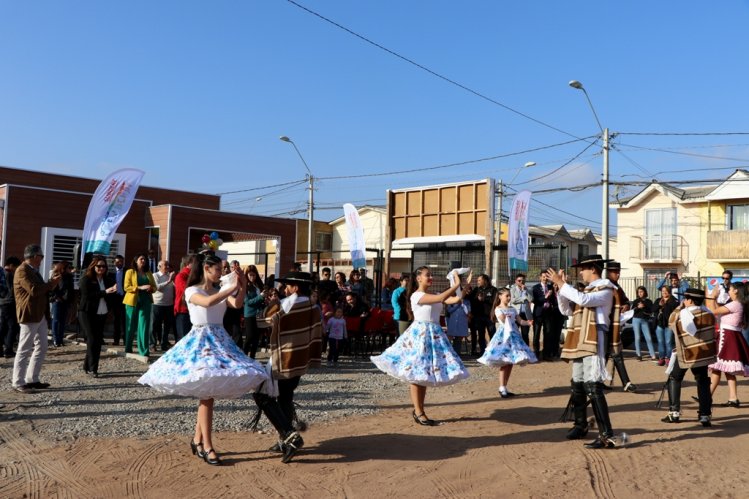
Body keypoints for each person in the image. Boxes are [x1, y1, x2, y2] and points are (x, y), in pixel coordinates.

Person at [139, 252, 267, 466]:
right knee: (207, 394)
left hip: (219, 341)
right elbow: (208, 302)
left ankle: (199, 441)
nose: (221, 273)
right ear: (207, 269)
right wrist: (229, 288)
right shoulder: (192, 290)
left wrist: (242, 285)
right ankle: (206, 446)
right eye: (218, 269)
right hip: (201, 343)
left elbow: (236, 304)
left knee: (208, 393)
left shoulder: (219, 290)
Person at [371, 267, 471, 426]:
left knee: (423, 374)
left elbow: (456, 300)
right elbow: (442, 297)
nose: (430, 277)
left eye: (431, 275)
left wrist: (462, 288)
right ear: (418, 278)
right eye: (427, 275)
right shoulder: (417, 295)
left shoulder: (432, 296)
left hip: (433, 333)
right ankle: (418, 412)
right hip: (421, 334)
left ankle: (420, 411)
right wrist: (456, 281)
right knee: (417, 373)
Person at [546, 254, 619, 449]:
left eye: (583, 268)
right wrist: (560, 290)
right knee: (577, 384)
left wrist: (562, 284)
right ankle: (580, 424)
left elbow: (583, 300)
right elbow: (567, 310)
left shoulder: (606, 289)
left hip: (594, 341)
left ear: (593, 269)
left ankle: (606, 434)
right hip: (580, 341)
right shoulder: (588, 290)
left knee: (593, 386)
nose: (581, 272)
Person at [251, 271, 322, 464]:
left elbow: (262, 321)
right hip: (300, 359)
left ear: (296, 288)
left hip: (283, 359)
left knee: (261, 394)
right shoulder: (313, 306)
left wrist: (269, 303)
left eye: (288, 285)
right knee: (285, 397)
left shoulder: (285, 304)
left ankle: (290, 436)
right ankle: (284, 439)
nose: (285, 288)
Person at [661, 288, 716, 426]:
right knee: (703, 381)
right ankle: (705, 415)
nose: (683, 300)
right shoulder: (709, 313)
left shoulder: (682, 314)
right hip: (703, 354)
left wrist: (679, 308)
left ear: (689, 300)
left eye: (685, 298)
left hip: (687, 354)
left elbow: (670, 322)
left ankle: (674, 412)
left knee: (675, 377)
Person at [11, 244, 61, 393]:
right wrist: (51, 283)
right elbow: (33, 290)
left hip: (39, 314)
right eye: (41, 256)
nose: (41, 259)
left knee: (42, 346)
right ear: (33, 256)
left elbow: (41, 289)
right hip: (29, 314)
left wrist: (51, 283)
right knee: (24, 348)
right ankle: (17, 381)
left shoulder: (33, 271)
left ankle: (32, 379)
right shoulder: (22, 271)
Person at [478, 288, 537, 397]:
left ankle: (504, 387)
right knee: (505, 363)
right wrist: (508, 317)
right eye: (507, 296)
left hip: (514, 335)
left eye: (509, 296)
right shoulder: (498, 309)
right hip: (504, 337)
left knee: (510, 364)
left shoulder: (513, 309)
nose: (509, 298)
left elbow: (520, 321)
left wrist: (528, 323)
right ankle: (501, 387)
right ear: (500, 296)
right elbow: (503, 320)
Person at [706, 281, 749, 407]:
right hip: (730, 335)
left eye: (730, 288)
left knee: (718, 366)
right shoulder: (737, 304)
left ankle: (706, 397)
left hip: (727, 336)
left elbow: (713, 311)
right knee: (725, 368)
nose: (729, 290)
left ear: (736, 290)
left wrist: (712, 296)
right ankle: (733, 398)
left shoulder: (735, 304)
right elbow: (717, 309)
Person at [79, 256, 118, 377]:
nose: (101, 268)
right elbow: (87, 296)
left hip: (102, 312)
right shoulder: (86, 279)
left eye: (104, 266)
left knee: (97, 341)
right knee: (92, 339)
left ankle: (87, 365)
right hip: (87, 313)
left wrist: (112, 292)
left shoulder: (108, 280)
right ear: (93, 266)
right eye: (99, 266)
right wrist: (105, 292)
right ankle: (93, 368)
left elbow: (111, 296)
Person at [604, 261, 636, 392]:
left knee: (614, 353)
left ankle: (626, 382)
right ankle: (625, 382)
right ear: (609, 273)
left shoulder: (617, 287)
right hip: (606, 325)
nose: (618, 274)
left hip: (615, 325)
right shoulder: (605, 286)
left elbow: (626, 300)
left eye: (619, 272)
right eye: (615, 272)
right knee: (609, 354)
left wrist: (626, 306)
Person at [123, 253, 157, 357]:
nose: (143, 261)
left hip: (146, 300)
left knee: (144, 326)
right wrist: (139, 287)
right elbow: (126, 287)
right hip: (132, 301)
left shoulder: (149, 273)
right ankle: (128, 348)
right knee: (131, 325)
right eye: (141, 259)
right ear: (136, 260)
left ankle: (143, 351)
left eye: (145, 259)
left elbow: (155, 287)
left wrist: (151, 288)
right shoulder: (130, 272)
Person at [468, 274, 497, 356]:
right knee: (481, 335)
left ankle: (493, 352)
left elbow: (495, 302)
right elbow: (471, 300)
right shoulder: (476, 290)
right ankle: (483, 352)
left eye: (479, 280)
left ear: (485, 280)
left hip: (489, 316)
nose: (478, 282)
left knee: (492, 334)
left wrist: (485, 299)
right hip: (479, 316)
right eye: (477, 280)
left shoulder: (493, 290)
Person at [531, 271, 558, 359]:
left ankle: (546, 354)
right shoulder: (535, 288)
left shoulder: (551, 287)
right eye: (543, 277)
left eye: (546, 277)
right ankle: (536, 353)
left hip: (548, 313)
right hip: (538, 313)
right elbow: (535, 300)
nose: (545, 278)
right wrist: (545, 297)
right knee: (536, 334)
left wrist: (555, 292)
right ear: (540, 277)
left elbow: (554, 300)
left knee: (548, 333)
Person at [151, 260, 176, 351]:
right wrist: (169, 281)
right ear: (159, 267)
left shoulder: (169, 276)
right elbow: (157, 287)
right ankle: (152, 344)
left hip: (169, 304)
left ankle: (164, 344)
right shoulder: (155, 275)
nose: (168, 267)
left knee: (166, 326)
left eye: (168, 265)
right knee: (154, 325)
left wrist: (172, 280)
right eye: (165, 265)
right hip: (157, 303)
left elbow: (175, 287)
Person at [0, 256, 21, 358]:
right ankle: (8, 349)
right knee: (13, 326)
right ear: (12, 265)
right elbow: (11, 290)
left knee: (3, 327)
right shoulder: (8, 274)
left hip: (3, 303)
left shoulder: (4, 272)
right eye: (16, 267)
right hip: (9, 303)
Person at [49, 261, 74, 347]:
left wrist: (70, 300)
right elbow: (52, 289)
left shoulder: (70, 277)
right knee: (56, 320)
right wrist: (57, 297)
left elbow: (70, 290)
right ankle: (55, 339)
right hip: (58, 301)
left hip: (66, 301)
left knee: (63, 321)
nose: (69, 269)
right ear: (63, 268)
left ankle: (60, 339)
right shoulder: (57, 276)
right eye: (68, 268)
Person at [243, 265, 266, 358]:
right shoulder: (245, 286)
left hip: (258, 314)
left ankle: (252, 357)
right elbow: (248, 302)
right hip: (249, 314)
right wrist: (260, 296)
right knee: (249, 337)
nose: (252, 277)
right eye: (250, 275)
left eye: (254, 275)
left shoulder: (258, 285)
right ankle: (243, 356)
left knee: (256, 338)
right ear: (247, 275)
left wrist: (264, 298)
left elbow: (260, 300)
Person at [653, 286, 679, 366]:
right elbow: (653, 309)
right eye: (663, 291)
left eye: (666, 291)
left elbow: (674, 311)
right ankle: (661, 358)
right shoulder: (658, 300)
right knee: (660, 342)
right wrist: (659, 305)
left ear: (669, 291)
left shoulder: (674, 300)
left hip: (669, 325)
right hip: (659, 324)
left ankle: (668, 358)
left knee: (668, 342)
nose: (664, 292)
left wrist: (666, 305)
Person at [173, 255, 195, 345]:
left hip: (192, 310)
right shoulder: (181, 276)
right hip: (183, 310)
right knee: (183, 338)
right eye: (195, 263)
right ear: (189, 264)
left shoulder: (195, 276)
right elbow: (188, 291)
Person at [631, 286, 656, 361]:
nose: (640, 293)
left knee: (648, 338)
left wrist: (644, 307)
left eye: (641, 291)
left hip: (645, 320)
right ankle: (638, 354)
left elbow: (651, 311)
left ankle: (653, 355)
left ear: (645, 292)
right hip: (636, 320)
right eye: (638, 292)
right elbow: (632, 311)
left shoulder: (649, 301)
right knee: (637, 337)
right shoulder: (636, 301)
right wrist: (638, 307)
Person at [510, 274, 533, 352]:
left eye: (523, 280)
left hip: (526, 315)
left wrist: (525, 291)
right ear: (516, 281)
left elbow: (530, 299)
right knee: (515, 334)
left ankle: (526, 351)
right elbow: (512, 300)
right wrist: (523, 298)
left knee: (525, 334)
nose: (521, 282)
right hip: (516, 315)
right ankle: (515, 351)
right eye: (519, 280)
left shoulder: (528, 289)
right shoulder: (512, 289)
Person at [108, 254, 127, 346]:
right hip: (115, 298)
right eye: (118, 261)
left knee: (125, 320)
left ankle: (125, 339)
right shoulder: (110, 273)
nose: (120, 263)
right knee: (116, 320)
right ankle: (116, 340)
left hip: (124, 298)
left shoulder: (127, 272)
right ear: (114, 262)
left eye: (121, 261)